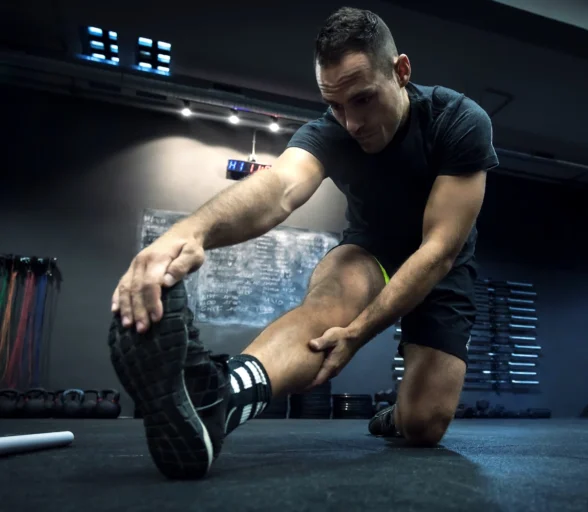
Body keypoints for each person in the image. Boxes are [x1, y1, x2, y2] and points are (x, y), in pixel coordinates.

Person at [108, 6, 498, 480]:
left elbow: (438, 252)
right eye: (335, 105)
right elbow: (280, 189)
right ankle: (218, 400)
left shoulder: (457, 120)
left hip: (443, 265)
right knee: (328, 304)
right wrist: (189, 232)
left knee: (423, 426)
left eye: (362, 100)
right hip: (370, 249)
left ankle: (395, 413)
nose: (351, 122)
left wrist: (358, 335)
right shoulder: (333, 132)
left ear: (401, 72)